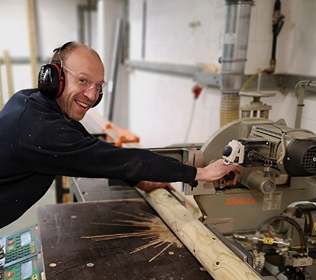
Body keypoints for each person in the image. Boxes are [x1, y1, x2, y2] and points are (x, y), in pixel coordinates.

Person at [0, 42, 241, 228]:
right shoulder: (42, 130)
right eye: (83, 80)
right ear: (54, 78)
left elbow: (92, 148)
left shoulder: (30, 102)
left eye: (98, 86)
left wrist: (138, 180)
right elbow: (113, 159)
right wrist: (200, 173)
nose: (92, 95)